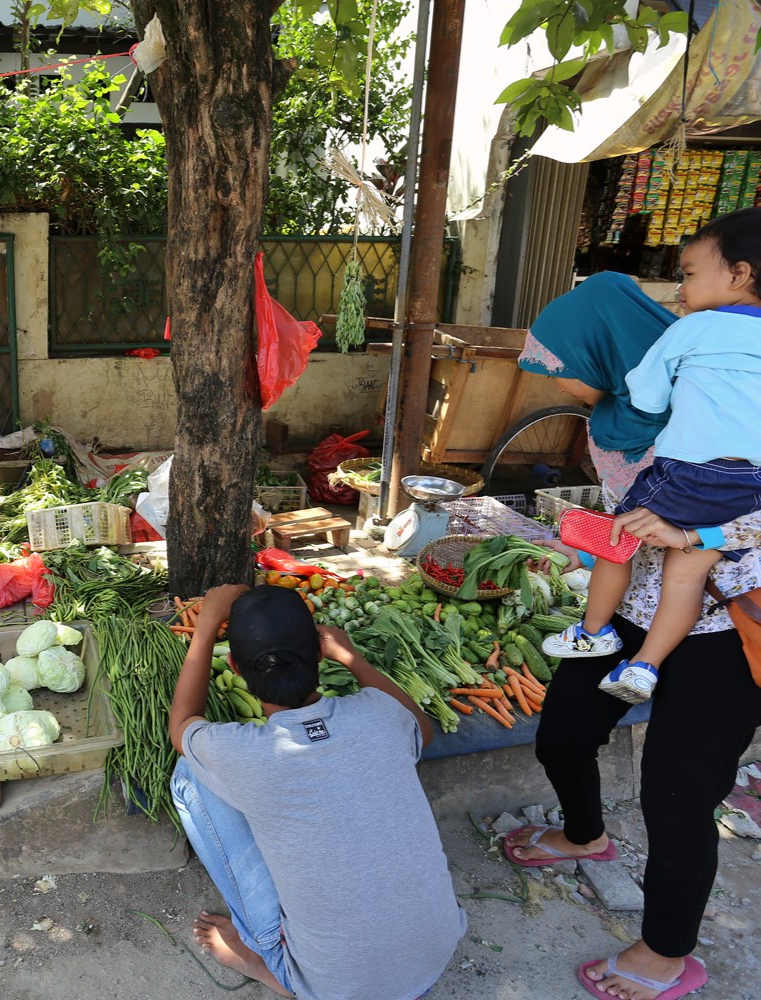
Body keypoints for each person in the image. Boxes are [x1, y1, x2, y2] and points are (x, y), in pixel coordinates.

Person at [504, 271, 761, 999]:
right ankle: (584, 833)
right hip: (631, 605)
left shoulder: (733, 392)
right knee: (560, 732)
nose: (557, 379)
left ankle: (664, 953)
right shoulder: (620, 409)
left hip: (723, 619)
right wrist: (596, 541)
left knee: (677, 797)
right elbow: (628, 506)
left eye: (560, 365)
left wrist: (698, 531)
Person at [168, 584, 465, 1000]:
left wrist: (202, 631)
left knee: (189, 773)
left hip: (337, 989)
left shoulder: (241, 752)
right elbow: (424, 729)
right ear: (322, 654)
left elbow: (181, 726)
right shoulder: (380, 714)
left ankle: (263, 966)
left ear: (234, 665)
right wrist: (354, 658)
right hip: (437, 951)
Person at [542, 209, 761, 703]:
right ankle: (645, 666)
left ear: (739, 273)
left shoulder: (695, 329)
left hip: (689, 473)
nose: (680, 291)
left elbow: (646, 397)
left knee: (618, 540)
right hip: (752, 486)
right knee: (686, 573)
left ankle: (595, 631)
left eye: (687, 274)